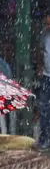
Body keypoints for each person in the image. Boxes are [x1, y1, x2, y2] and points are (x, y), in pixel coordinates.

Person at [37, 14, 50, 150]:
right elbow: (41, 51)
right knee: (44, 109)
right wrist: (40, 66)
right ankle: (44, 138)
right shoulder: (45, 35)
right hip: (47, 76)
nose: (47, 27)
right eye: (45, 24)